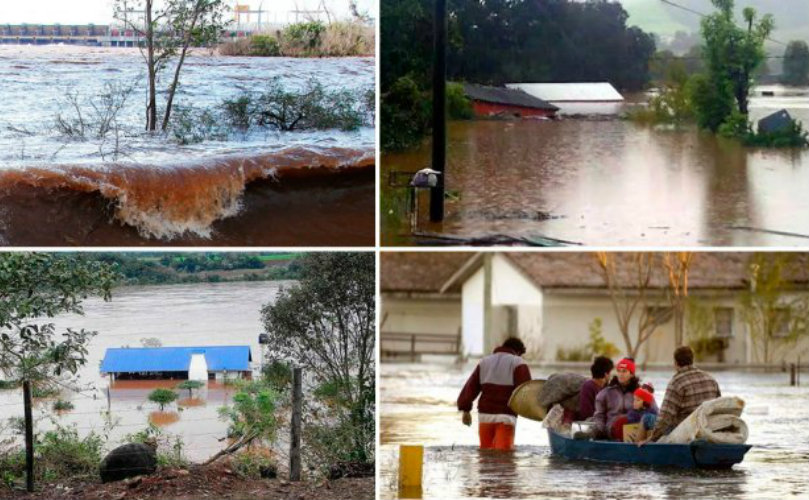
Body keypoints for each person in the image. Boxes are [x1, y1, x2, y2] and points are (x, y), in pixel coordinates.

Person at [457, 337, 532, 451]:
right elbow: (526, 390)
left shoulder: (484, 362)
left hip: (485, 416)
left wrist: (465, 409)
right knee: (503, 456)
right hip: (506, 416)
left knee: (485, 454)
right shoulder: (517, 362)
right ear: (518, 351)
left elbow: (470, 387)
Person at [640, 346, 721, 445]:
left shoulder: (676, 382)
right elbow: (718, 408)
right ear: (692, 360)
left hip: (683, 430)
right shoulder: (711, 379)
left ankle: (638, 450)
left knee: (646, 418)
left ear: (675, 363)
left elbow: (665, 417)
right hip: (706, 426)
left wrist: (652, 438)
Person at [592, 357, 657, 441]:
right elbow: (599, 416)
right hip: (612, 431)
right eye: (619, 371)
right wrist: (599, 432)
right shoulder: (606, 393)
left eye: (624, 371)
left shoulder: (643, 392)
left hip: (637, 429)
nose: (621, 374)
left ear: (632, 374)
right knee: (620, 422)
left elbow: (654, 412)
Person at [577, 356, 614, 420]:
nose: (610, 375)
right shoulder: (588, 387)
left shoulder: (606, 387)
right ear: (606, 374)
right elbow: (586, 413)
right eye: (610, 372)